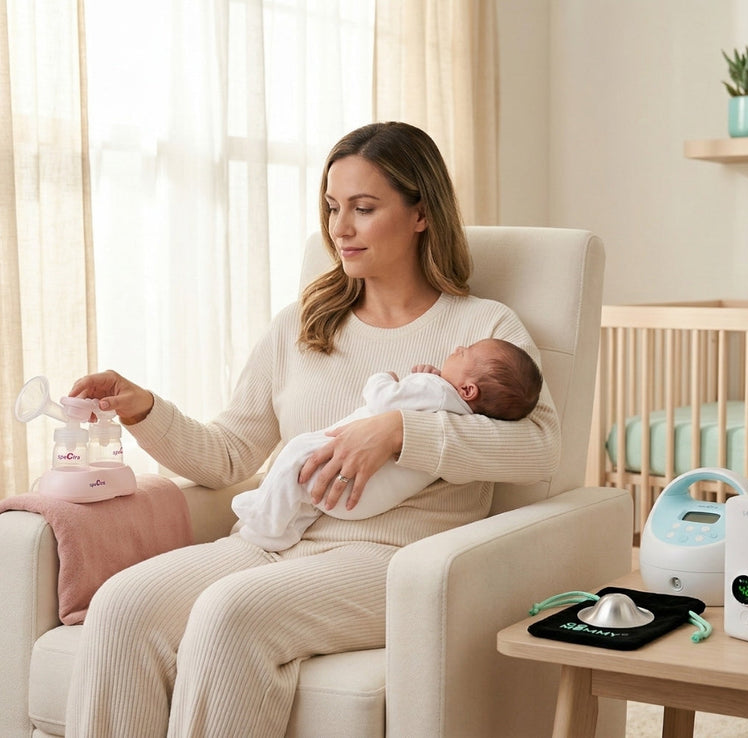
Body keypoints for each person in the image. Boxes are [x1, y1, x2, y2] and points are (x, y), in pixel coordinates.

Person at [63, 121, 560, 737]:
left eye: (364, 208)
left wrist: (400, 431)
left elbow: (540, 449)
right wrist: (144, 409)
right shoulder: (303, 323)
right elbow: (227, 456)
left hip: (393, 560)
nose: (339, 229)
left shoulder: (484, 328)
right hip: (272, 537)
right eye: (331, 207)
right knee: (122, 605)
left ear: (420, 214)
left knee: (229, 613)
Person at [231, 337, 543, 551]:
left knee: (297, 453)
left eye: (465, 353)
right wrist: (427, 381)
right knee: (307, 489)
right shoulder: (459, 412)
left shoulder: (433, 389)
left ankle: (267, 524)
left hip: (342, 479)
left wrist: (384, 378)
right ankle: (289, 525)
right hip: (363, 500)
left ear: (469, 389)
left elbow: (382, 398)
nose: (459, 347)